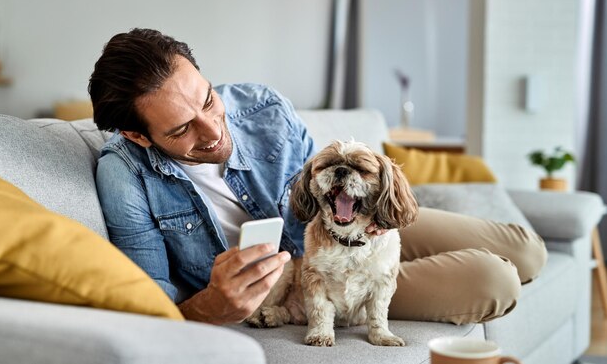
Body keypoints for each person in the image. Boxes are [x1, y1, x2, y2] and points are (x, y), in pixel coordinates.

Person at [89, 28, 547, 326]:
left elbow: (321, 190)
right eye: (182, 129)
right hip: (310, 283)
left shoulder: (260, 105)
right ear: (137, 134)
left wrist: (369, 220)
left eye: (207, 100)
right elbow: (150, 311)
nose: (213, 132)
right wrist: (209, 306)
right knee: (495, 280)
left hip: (353, 231)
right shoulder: (124, 177)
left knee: (525, 250)